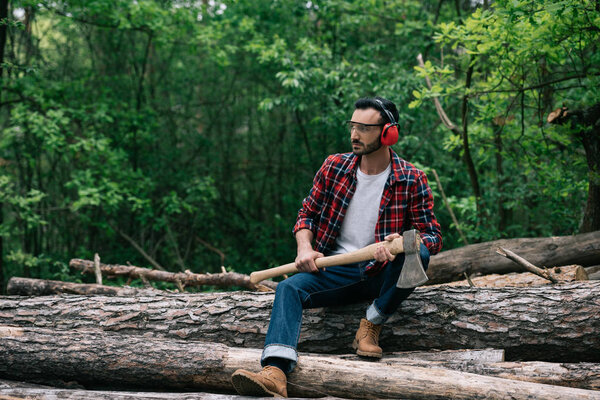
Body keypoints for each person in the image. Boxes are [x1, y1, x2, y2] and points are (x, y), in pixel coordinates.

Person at [231, 96, 442, 397]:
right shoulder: (334, 167)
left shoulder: (411, 178)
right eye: (352, 127)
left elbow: (432, 237)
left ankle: (372, 323)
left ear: (388, 133)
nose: (354, 135)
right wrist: (304, 248)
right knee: (288, 289)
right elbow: (307, 214)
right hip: (336, 270)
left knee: (417, 253)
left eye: (364, 129)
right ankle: (275, 372)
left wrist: (401, 243)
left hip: (382, 273)